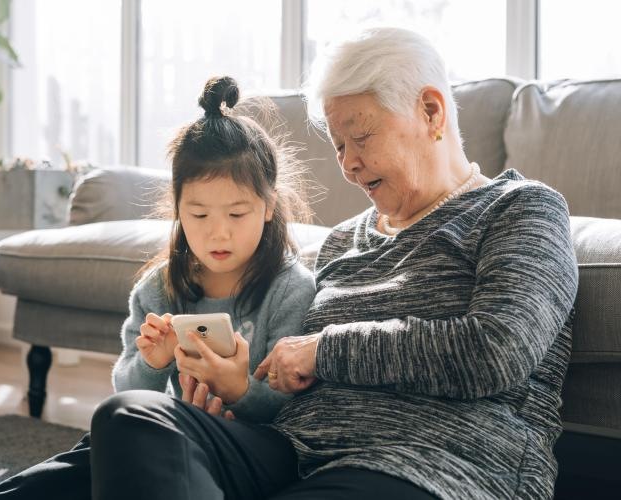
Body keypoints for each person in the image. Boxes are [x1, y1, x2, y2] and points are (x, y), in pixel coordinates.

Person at [88, 27, 579, 500]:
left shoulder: (521, 209)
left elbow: (496, 351)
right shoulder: (344, 240)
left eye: (360, 138)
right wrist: (231, 406)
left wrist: (324, 350)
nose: (347, 164)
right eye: (338, 146)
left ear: (431, 112)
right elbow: (287, 385)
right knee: (130, 417)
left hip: (433, 465)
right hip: (288, 454)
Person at [0, 75, 316, 499]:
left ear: (268, 207)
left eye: (237, 215)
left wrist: (238, 390)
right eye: (199, 216)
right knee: (92, 453)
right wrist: (153, 362)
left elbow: (298, 412)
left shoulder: (291, 289)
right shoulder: (160, 287)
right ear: (178, 209)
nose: (218, 234)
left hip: (256, 457)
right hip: (174, 441)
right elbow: (128, 397)